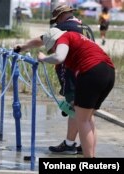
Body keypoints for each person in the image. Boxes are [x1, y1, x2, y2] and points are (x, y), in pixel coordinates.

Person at [14, 4, 95, 155]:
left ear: (62, 16)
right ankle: (73, 144)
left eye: (57, 19)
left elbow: (42, 40)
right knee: (83, 113)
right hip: (92, 72)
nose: (56, 22)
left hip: (75, 73)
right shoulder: (85, 27)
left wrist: (23, 47)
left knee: (80, 113)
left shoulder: (64, 27)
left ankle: (82, 151)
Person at [37, 27, 115, 157]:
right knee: (88, 119)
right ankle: (91, 156)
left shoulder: (64, 38)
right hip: (109, 72)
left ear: (54, 42)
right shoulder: (78, 39)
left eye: (52, 48)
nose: (53, 50)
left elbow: (59, 57)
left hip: (92, 71)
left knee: (82, 120)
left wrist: (44, 58)